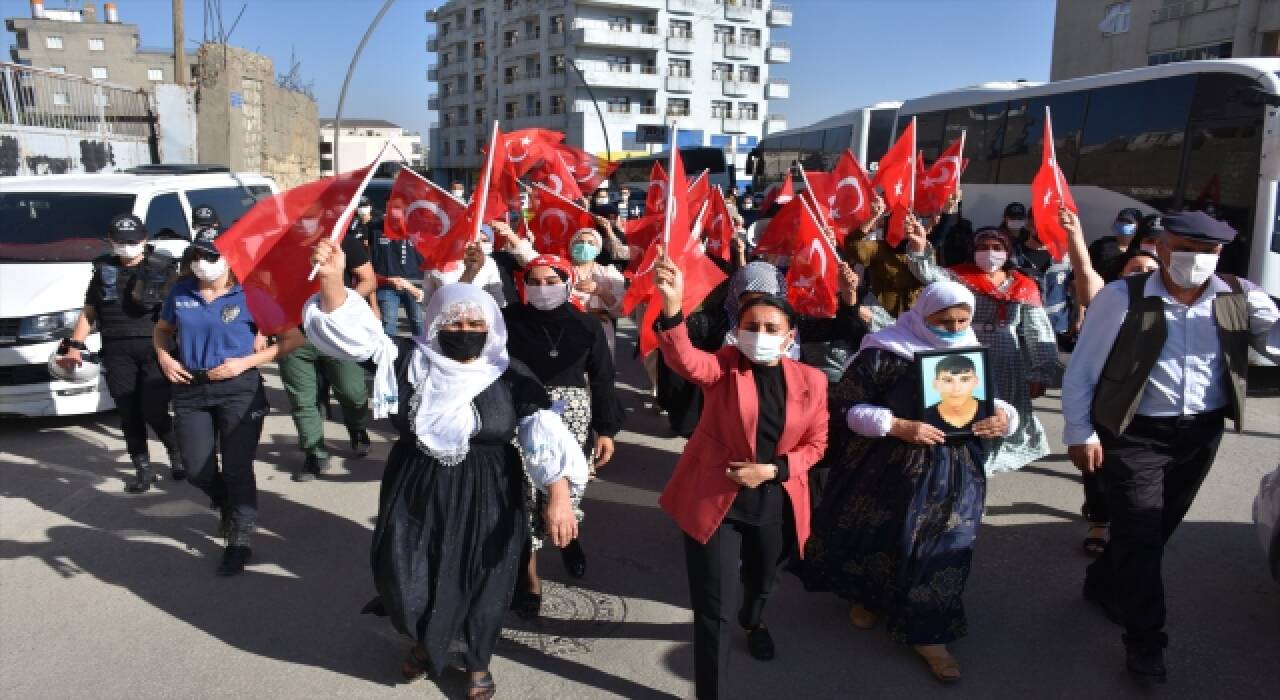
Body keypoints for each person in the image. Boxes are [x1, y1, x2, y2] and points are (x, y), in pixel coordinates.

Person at [303, 240, 587, 699]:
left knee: (483, 578)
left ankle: (476, 662)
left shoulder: (511, 374)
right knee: (408, 570)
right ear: (435, 323)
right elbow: (349, 334)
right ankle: (425, 642)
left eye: (475, 322)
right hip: (417, 484)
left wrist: (558, 498)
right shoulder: (408, 362)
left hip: (491, 490)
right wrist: (333, 277)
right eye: (453, 321)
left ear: (490, 326)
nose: (465, 329)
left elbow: (543, 437)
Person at [1064, 211, 1279, 681]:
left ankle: (1102, 584)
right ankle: (1145, 643)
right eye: (1186, 248)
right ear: (1160, 246)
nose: (1196, 260)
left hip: (1200, 433)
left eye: (1208, 252)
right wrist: (1079, 431)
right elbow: (1083, 368)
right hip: (1134, 433)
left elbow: (1276, 343)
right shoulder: (1123, 297)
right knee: (1141, 534)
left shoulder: (1240, 296)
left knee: (1156, 529)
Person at [802, 281, 1017, 683]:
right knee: (881, 536)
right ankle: (870, 597)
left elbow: (994, 401)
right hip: (887, 467)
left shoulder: (969, 350)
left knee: (947, 545)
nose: (952, 328)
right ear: (922, 316)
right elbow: (845, 406)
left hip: (955, 471)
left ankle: (930, 634)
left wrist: (1003, 418)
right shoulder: (886, 351)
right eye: (943, 321)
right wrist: (896, 425)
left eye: (961, 321)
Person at [653, 251, 829, 700]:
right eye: (752, 327)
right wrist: (672, 308)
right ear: (737, 329)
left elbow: (816, 446)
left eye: (772, 329)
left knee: (761, 582)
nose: (761, 336)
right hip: (717, 501)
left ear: (790, 335)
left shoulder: (812, 380)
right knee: (713, 609)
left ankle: (756, 619)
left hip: (776, 503)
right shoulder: (725, 368)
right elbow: (685, 361)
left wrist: (772, 470)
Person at [153, 228, 304, 575]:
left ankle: (239, 535)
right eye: (195, 257)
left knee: (237, 467)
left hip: (239, 389)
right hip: (191, 388)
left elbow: (293, 339)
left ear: (228, 259)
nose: (201, 264)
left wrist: (246, 362)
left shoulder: (251, 294)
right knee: (196, 468)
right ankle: (225, 502)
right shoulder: (181, 292)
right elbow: (162, 329)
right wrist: (164, 357)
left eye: (209, 257)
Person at [503, 255, 623, 615]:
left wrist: (606, 430)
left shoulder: (587, 326)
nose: (542, 288)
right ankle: (530, 581)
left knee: (565, 491)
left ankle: (569, 540)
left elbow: (603, 380)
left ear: (567, 282)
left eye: (550, 280)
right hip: (520, 412)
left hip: (572, 417)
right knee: (524, 495)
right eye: (534, 281)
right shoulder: (508, 320)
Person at [904, 221, 1062, 475]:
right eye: (983, 247)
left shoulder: (1023, 285)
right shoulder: (958, 277)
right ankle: (964, 460)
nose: (990, 252)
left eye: (996, 246)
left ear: (1007, 250)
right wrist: (919, 247)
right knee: (964, 409)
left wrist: (1041, 370)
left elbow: (1038, 330)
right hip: (966, 353)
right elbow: (926, 273)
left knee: (1000, 414)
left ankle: (987, 463)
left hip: (1006, 358)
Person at [57, 214, 182, 492]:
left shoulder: (163, 269)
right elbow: (88, 313)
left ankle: (176, 453)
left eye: (133, 241)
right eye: (121, 241)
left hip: (155, 349)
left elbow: (181, 311)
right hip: (116, 349)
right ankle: (143, 469)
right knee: (128, 412)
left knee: (154, 409)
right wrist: (73, 348)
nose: (127, 246)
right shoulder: (102, 272)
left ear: (145, 240)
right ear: (111, 242)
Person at [279, 223, 377, 482]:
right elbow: (267, 289)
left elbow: (368, 280)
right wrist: (261, 330)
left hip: (336, 335)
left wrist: (342, 309)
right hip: (295, 335)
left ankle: (357, 429)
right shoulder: (280, 245)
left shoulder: (341, 240)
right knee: (302, 400)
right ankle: (314, 453)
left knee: (353, 391)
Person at [368, 198, 426, 337]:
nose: (395, 211)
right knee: (388, 323)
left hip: (414, 283)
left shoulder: (416, 227)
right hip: (388, 283)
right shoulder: (375, 227)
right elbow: (369, 255)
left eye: (399, 208)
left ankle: (421, 353)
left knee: (418, 322)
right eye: (392, 207)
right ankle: (390, 356)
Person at [567, 228, 626, 356]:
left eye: (590, 243)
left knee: (600, 371)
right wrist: (585, 313)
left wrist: (601, 291)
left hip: (601, 331)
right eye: (580, 242)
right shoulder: (560, 272)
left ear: (597, 249)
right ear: (572, 245)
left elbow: (623, 310)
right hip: (567, 331)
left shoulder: (608, 272)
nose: (584, 246)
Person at [922, 353, 990, 431]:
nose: (956, 388)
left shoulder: (991, 411)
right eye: (948, 380)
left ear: (976, 382)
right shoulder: (924, 418)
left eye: (964, 379)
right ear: (935, 384)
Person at [1088, 208, 1144, 282]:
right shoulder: (1100, 245)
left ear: (1138, 227)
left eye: (1128, 222)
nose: (1123, 224)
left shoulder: (1141, 250)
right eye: (1121, 221)